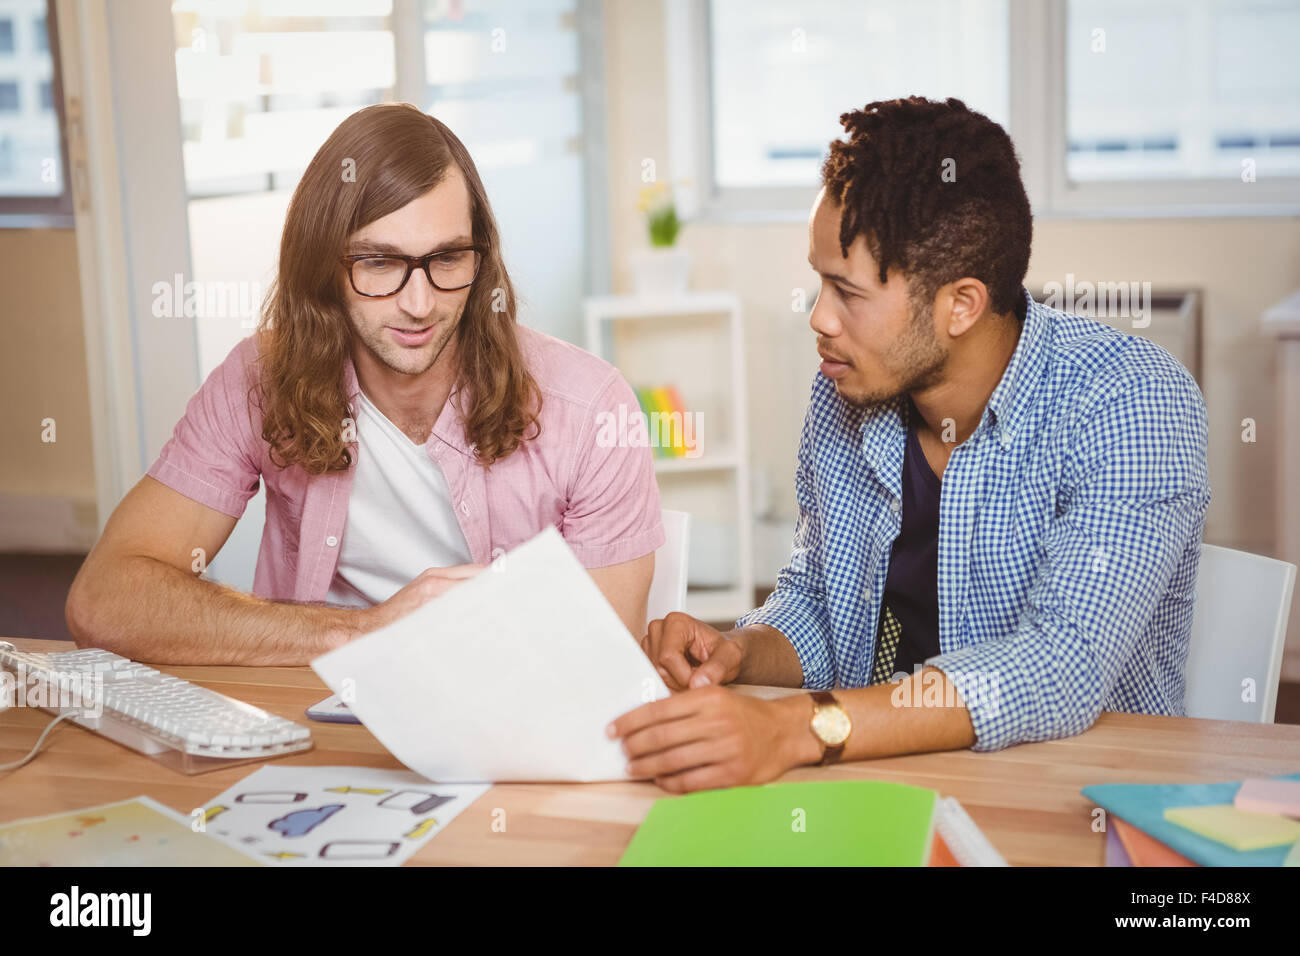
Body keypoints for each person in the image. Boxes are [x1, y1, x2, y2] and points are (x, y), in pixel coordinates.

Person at [614, 97, 1210, 793]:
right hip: (884, 779)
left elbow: (1059, 665)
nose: (819, 319)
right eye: (818, 281)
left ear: (961, 304)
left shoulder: (1132, 402)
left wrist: (793, 729)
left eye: (847, 291)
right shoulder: (846, 392)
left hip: (1075, 795)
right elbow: (819, 602)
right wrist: (739, 651)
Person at [67, 103, 663, 665]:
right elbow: (105, 599)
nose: (420, 303)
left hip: (509, 728)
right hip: (315, 720)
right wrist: (359, 632)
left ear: (482, 260)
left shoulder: (589, 409)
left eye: (448, 259)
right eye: (378, 263)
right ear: (323, 266)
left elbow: (601, 659)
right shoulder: (258, 380)